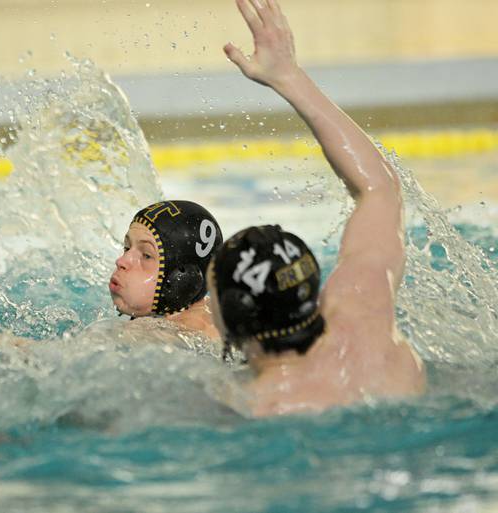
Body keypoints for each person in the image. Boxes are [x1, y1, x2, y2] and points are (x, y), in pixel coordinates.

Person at [207, 0, 425, 416]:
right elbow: (380, 188)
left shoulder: (246, 408)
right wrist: (289, 76)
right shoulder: (365, 320)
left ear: (233, 317)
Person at [110, 200, 223, 339]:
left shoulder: (166, 338)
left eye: (146, 255)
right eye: (127, 248)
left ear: (182, 279)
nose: (121, 261)